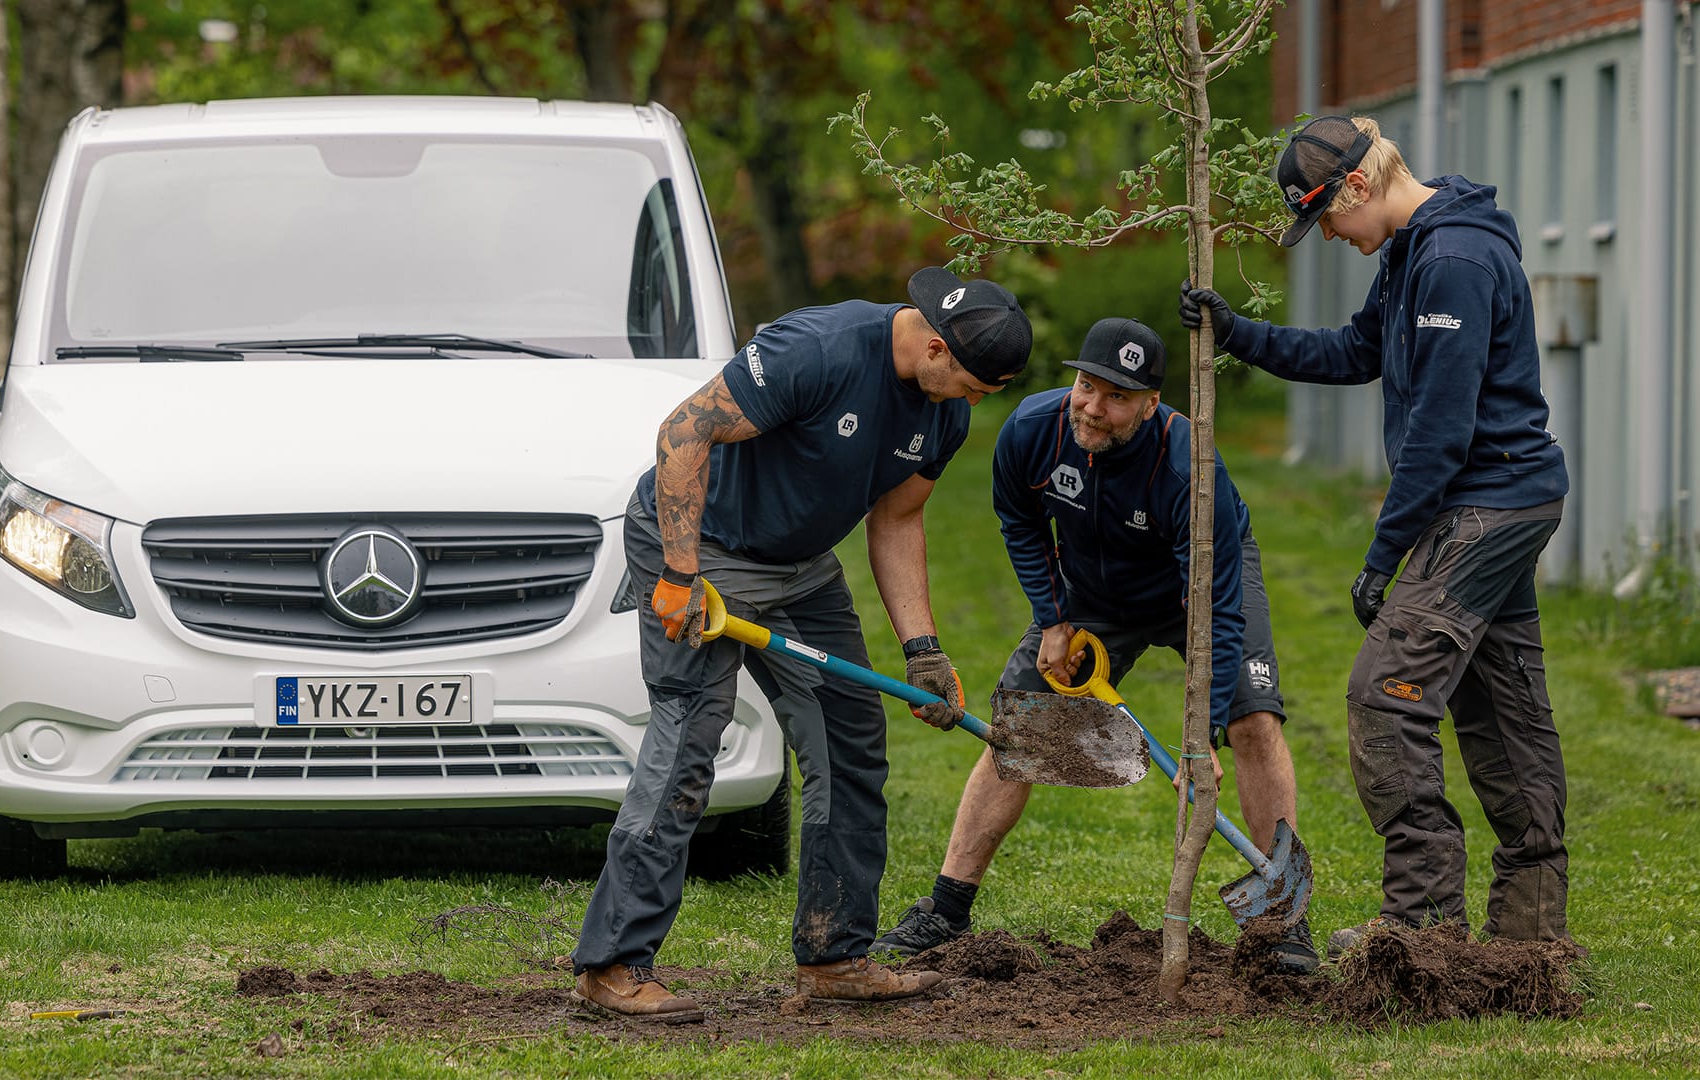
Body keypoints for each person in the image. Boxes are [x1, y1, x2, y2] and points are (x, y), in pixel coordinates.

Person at [568, 267, 1033, 1022]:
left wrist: (922, 648)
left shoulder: (943, 414)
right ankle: (613, 963)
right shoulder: (817, 349)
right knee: (692, 733)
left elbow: (898, 520)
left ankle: (834, 954)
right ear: (938, 348)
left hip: (801, 570)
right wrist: (679, 573)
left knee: (851, 739)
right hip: (701, 545)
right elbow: (683, 432)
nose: (978, 403)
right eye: (978, 386)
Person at [1180, 114, 1572, 956]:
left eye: (1326, 215)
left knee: (1383, 698)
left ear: (1358, 185)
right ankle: (1529, 941)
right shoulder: (1411, 253)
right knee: (1503, 712)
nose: (1327, 234)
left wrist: (1382, 559)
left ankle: (1422, 931)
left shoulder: (1456, 262)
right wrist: (1237, 331)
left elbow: (1440, 432)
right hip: (1495, 499)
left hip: (1491, 503)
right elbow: (1355, 351)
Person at [871, 317, 1320, 974]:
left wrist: (1206, 730)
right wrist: (1053, 618)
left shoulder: (1189, 466)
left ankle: (1282, 921)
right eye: (1087, 386)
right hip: (1088, 593)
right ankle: (945, 908)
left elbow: (1219, 612)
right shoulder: (1032, 428)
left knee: (1253, 721)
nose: (1095, 408)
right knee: (1018, 729)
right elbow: (1019, 521)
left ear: (1149, 403)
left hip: (1193, 588)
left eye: (1117, 398)